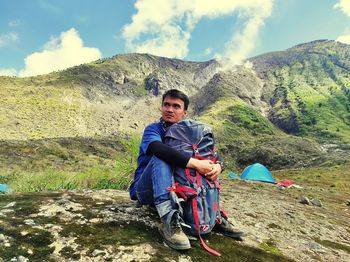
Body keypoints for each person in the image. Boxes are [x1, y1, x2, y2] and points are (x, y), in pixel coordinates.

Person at [129, 89, 243, 250]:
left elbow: (212, 154)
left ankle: (211, 215)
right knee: (161, 157)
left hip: (175, 189)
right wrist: (196, 164)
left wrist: (218, 166)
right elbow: (157, 148)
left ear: (184, 112)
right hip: (146, 191)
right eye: (166, 105)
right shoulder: (153, 129)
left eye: (176, 106)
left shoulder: (190, 132)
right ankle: (169, 221)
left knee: (204, 161)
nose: (169, 109)